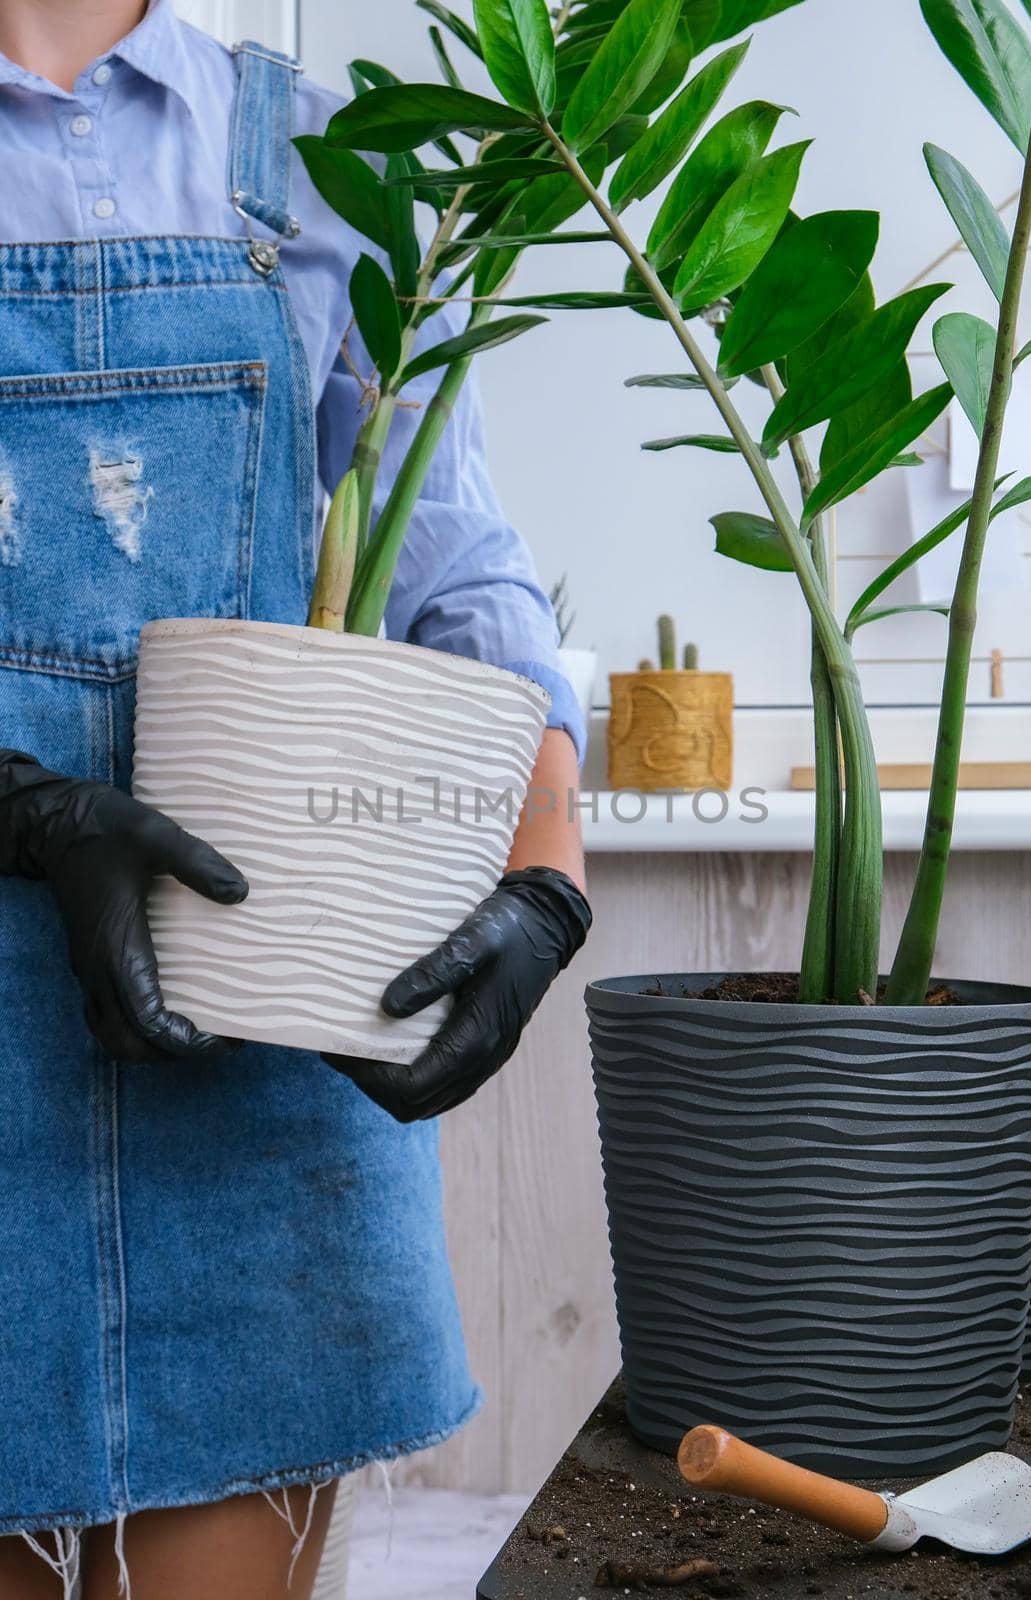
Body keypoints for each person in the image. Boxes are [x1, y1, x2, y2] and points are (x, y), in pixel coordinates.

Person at [0, 3, 590, 1596]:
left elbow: (464, 579)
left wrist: (545, 876)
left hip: (256, 1021)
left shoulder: (334, 167)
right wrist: (25, 813)